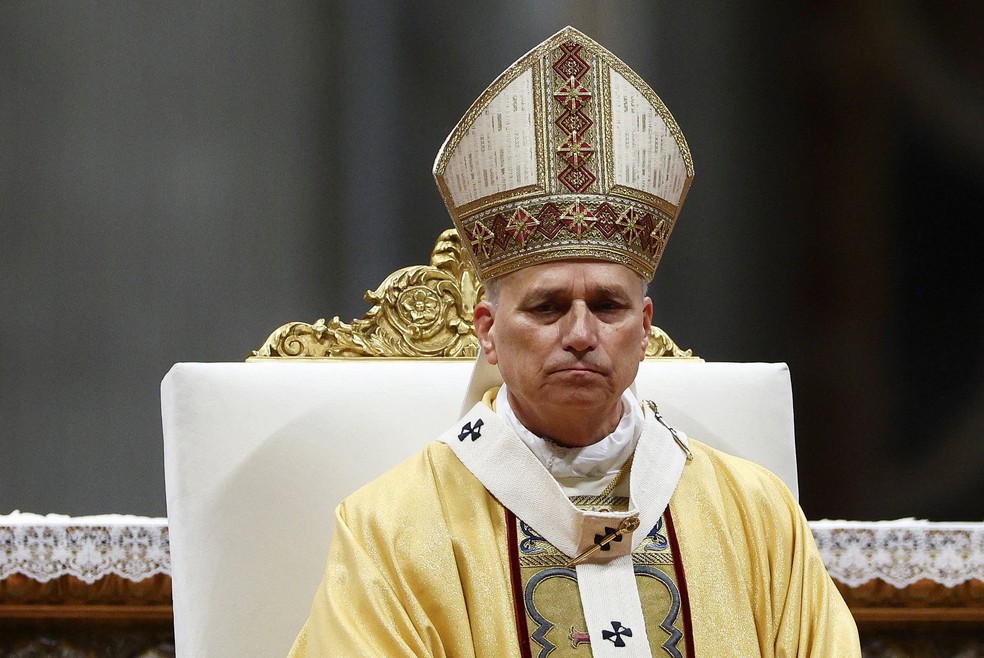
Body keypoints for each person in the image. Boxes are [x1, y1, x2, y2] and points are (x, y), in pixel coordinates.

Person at [289, 26, 860, 657]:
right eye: (548, 306)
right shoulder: (396, 528)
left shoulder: (756, 517)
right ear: (488, 332)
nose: (581, 334)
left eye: (608, 306)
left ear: (644, 329)